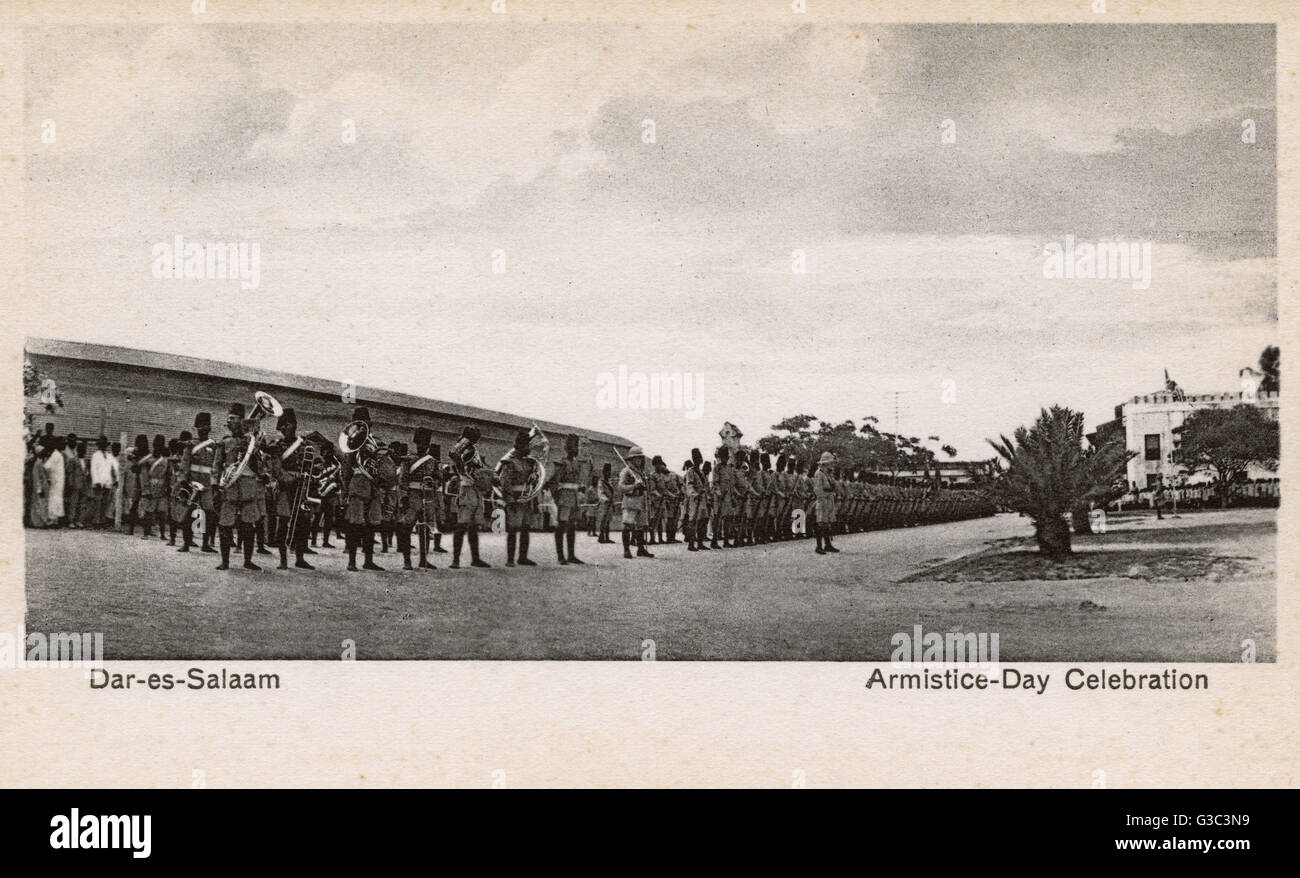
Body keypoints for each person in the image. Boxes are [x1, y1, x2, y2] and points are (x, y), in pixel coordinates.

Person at [211, 403, 267, 571]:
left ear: (242, 421)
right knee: (225, 525)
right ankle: (225, 561)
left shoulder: (251, 441)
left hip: (248, 488)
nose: (229, 422)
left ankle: (248, 561)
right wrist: (214, 485)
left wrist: (253, 451)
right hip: (229, 489)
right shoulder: (224, 442)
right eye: (228, 419)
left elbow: (258, 467)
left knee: (248, 526)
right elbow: (216, 465)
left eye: (233, 419)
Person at [268, 408, 315, 571]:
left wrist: (310, 476)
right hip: (284, 490)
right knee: (283, 524)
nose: (283, 429)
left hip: (301, 491)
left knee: (302, 524)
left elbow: (315, 466)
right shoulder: (276, 446)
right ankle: (283, 560)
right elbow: (277, 470)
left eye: (286, 425)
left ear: (294, 425)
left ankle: (300, 558)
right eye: (281, 426)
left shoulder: (306, 445)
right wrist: (295, 477)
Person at [398, 428, 441, 571]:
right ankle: (407, 561)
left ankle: (423, 560)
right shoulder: (408, 460)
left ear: (428, 446)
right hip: (412, 497)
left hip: (427, 497)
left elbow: (438, 479)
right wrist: (403, 497)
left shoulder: (433, 462)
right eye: (419, 444)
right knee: (406, 528)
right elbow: (402, 480)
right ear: (416, 444)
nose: (422, 446)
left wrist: (434, 483)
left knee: (425, 530)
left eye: (425, 444)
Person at [449, 426, 491, 569]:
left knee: (473, 526)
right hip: (467, 488)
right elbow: (454, 454)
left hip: (475, 489)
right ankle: (455, 560)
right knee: (461, 525)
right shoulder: (463, 446)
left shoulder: (472, 449)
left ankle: (475, 558)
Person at [497, 429, 538, 567]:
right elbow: (505, 483)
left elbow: (533, 482)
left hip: (527, 498)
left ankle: (523, 557)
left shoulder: (529, 463)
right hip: (514, 499)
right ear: (521, 446)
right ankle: (510, 559)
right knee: (513, 529)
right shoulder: (510, 462)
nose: (529, 449)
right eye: (527, 446)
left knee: (526, 528)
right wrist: (510, 501)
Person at [546, 433, 586, 565]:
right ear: (568, 448)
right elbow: (553, 483)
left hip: (574, 498)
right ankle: (560, 556)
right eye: (573, 446)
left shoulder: (577, 463)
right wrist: (558, 499)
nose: (576, 449)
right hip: (564, 498)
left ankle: (571, 555)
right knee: (562, 526)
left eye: (577, 446)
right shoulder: (561, 464)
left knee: (572, 527)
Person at [618, 446, 653, 559]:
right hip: (630, 501)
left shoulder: (642, 473)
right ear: (631, 459)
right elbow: (621, 487)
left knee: (641, 527)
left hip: (641, 501)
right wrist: (634, 486)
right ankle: (626, 550)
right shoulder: (626, 471)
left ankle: (641, 549)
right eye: (636, 458)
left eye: (640, 458)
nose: (639, 460)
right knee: (628, 526)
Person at [88, 435, 117, 529]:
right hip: (98, 482)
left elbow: (115, 467)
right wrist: (96, 481)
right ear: (98, 445)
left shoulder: (109, 456)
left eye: (104, 444)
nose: (103, 446)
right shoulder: (95, 455)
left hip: (107, 482)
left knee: (105, 503)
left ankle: (102, 521)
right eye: (101, 444)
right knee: (97, 502)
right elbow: (93, 469)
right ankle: (95, 521)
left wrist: (116, 479)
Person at [814, 451, 839, 554]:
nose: (832, 465)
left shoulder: (828, 474)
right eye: (831, 463)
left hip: (829, 501)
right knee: (821, 524)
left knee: (827, 524)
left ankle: (827, 544)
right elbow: (818, 489)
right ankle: (819, 546)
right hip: (823, 500)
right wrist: (825, 495)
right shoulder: (819, 473)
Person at [682, 448, 707, 551]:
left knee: (703, 520)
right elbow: (689, 485)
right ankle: (691, 543)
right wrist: (694, 494)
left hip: (702, 499)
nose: (698, 460)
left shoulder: (701, 472)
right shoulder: (690, 471)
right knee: (693, 521)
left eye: (699, 458)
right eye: (696, 458)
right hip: (694, 499)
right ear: (693, 459)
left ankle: (700, 542)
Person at [658, 456, 682, 544]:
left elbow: (680, 484)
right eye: (662, 467)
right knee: (669, 519)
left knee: (676, 519)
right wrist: (672, 496)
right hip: (668, 500)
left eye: (664, 466)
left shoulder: (674, 474)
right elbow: (664, 489)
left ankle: (673, 537)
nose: (664, 468)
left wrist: (681, 493)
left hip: (677, 499)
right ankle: (669, 537)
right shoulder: (662, 477)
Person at [44, 437, 67, 526]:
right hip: (56, 482)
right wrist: (50, 477)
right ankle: (52, 519)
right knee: (54, 499)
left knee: (57, 499)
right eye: (62, 443)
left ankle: (55, 519)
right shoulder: (56, 454)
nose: (64, 445)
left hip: (59, 482)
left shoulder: (59, 455)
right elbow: (47, 466)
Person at [596, 463, 615, 543]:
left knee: (608, 521)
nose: (609, 473)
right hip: (604, 504)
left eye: (610, 471)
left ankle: (607, 537)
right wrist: (605, 499)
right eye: (607, 471)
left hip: (610, 503)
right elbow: (600, 492)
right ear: (604, 472)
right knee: (603, 520)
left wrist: (612, 502)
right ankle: (601, 537)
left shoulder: (609, 481)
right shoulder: (601, 481)